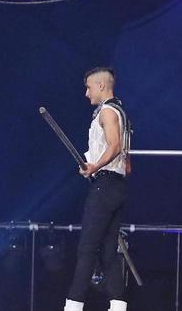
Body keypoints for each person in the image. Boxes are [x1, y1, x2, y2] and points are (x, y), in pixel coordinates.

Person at [64, 67, 132, 311]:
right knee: (108, 251)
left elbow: (114, 146)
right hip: (116, 186)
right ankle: (118, 305)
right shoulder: (121, 112)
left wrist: (95, 166)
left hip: (105, 185)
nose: (86, 93)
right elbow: (126, 161)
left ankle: (73, 305)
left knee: (87, 248)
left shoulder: (108, 112)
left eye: (89, 87)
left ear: (101, 85)